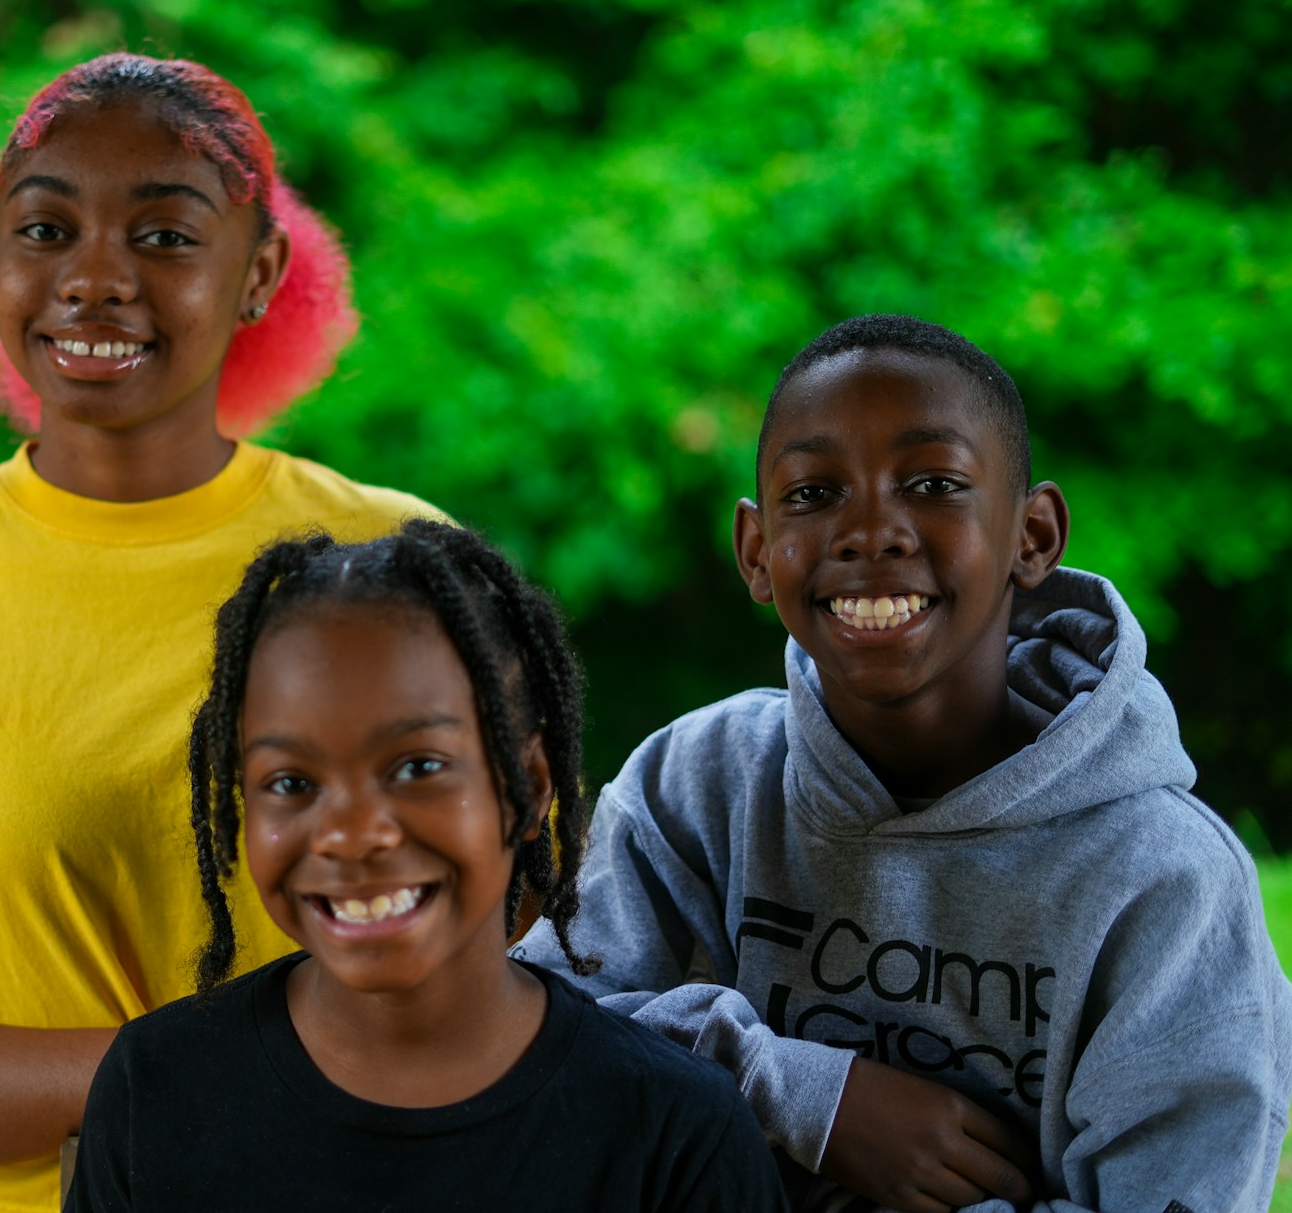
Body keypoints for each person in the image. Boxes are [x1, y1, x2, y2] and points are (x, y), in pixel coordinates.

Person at [0, 53, 443, 1213]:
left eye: (164, 237)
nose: (95, 279)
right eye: (46, 230)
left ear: (259, 271)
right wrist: (187, 1077)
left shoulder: (403, 561)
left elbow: (519, 930)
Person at [516, 315, 1292, 1213]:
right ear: (757, 551)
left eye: (933, 483)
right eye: (813, 494)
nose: (872, 530)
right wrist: (814, 1098)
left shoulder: (1166, 882)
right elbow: (534, 1034)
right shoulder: (702, 782)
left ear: (1032, 535)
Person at [63, 521, 791, 1212]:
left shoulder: (673, 1133)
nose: (351, 834)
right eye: (292, 782)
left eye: (417, 767)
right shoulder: (157, 1088)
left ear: (529, 788)